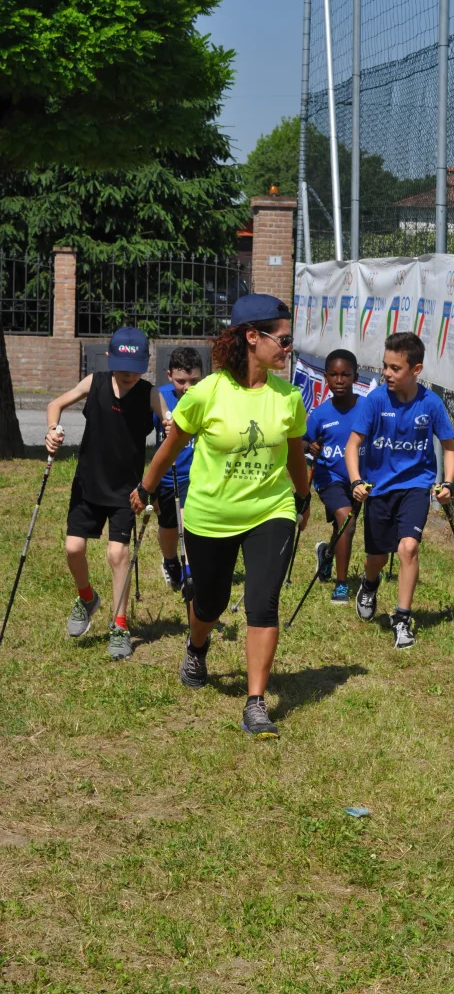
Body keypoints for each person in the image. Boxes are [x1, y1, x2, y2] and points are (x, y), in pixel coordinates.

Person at [130, 293, 310, 739]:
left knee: (263, 602)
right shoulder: (207, 393)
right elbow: (168, 449)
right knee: (207, 601)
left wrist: (303, 500)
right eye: (283, 340)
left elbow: (295, 457)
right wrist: (145, 489)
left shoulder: (287, 398)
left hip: (271, 510)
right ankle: (197, 644)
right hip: (211, 514)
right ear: (253, 337)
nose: (289, 348)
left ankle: (255, 703)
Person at [45, 327, 164, 660]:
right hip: (88, 483)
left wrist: (170, 426)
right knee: (73, 548)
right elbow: (56, 404)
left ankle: (120, 625)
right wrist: (52, 430)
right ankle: (87, 598)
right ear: (110, 359)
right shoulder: (94, 382)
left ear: (145, 364)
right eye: (122, 365)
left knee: (117, 555)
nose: (128, 373)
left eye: (136, 366)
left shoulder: (150, 394)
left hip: (126, 491)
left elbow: (171, 423)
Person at [344, 331, 454, 649]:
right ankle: (369, 583)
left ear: (416, 370)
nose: (387, 373)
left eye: (395, 368)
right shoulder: (376, 400)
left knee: (408, 548)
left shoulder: (431, 403)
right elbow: (353, 446)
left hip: (416, 486)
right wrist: (355, 481)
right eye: (385, 366)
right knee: (376, 558)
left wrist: (447, 483)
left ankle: (402, 619)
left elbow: (449, 448)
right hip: (379, 489)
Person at [303, 349, 365, 604]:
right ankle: (341, 585)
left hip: (359, 478)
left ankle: (326, 555)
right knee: (347, 521)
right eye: (333, 375)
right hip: (329, 477)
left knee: (343, 527)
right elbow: (301, 442)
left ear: (355, 377)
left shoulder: (367, 408)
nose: (339, 380)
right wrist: (310, 447)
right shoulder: (320, 414)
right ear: (325, 377)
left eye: (345, 375)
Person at [152, 346, 204, 591]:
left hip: (195, 475)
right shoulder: (161, 397)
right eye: (181, 381)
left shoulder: (206, 398)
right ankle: (171, 561)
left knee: (188, 520)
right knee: (168, 527)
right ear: (169, 375)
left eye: (194, 380)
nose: (188, 387)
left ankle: (190, 574)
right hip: (167, 475)